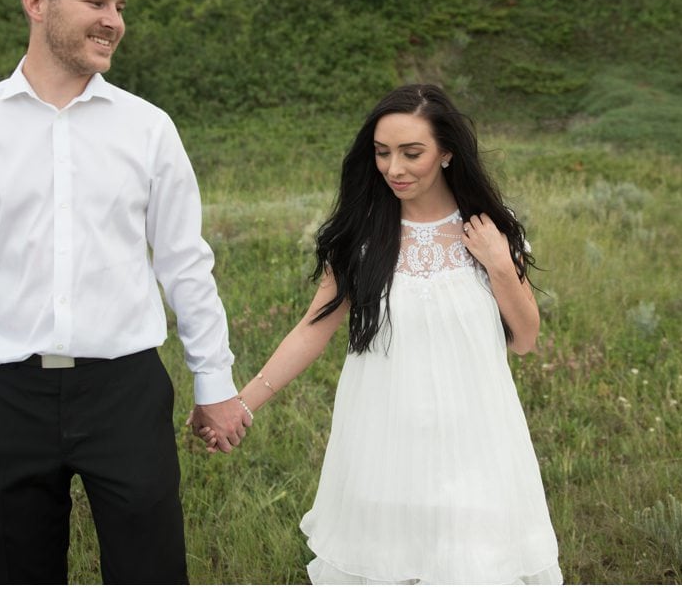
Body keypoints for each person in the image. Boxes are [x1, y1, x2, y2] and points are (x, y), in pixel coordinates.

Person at [0, 0, 250, 584]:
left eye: (121, 5)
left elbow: (186, 263)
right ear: (36, 2)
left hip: (126, 394)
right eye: (97, 0)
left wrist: (214, 383)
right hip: (4, 396)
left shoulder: (149, 128)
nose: (116, 20)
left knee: (152, 576)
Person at [193, 84, 562, 584]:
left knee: (472, 566)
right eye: (383, 153)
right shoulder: (363, 236)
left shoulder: (491, 229)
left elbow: (524, 338)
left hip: (476, 437)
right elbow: (312, 329)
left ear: (447, 152)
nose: (394, 169)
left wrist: (499, 264)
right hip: (384, 438)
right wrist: (243, 403)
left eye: (412, 154)